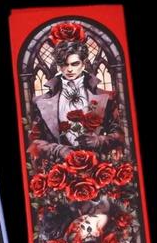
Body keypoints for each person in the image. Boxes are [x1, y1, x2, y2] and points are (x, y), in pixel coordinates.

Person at [28, 32, 124, 161]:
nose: (69, 69)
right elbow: (33, 143)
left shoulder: (106, 97)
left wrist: (99, 141)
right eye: (64, 64)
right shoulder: (42, 101)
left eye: (74, 64)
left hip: (97, 163)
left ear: (83, 64)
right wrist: (58, 150)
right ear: (58, 66)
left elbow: (119, 135)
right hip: (59, 166)